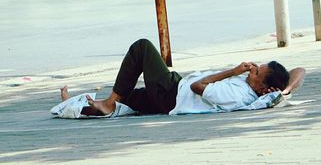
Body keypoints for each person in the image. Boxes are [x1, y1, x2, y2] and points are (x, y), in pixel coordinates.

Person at [60, 39, 305, 116]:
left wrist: (233, 71)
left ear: (264, 88)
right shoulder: (268, 88)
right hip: (173, 93)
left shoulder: (237, 93)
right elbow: (299, 71)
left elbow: (199, 87)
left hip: (172, 94)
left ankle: (109, 102)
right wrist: (286, 91)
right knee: (126, 101)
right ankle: (74, 105)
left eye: (256, 72)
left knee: (142, 48)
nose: (251, 69)